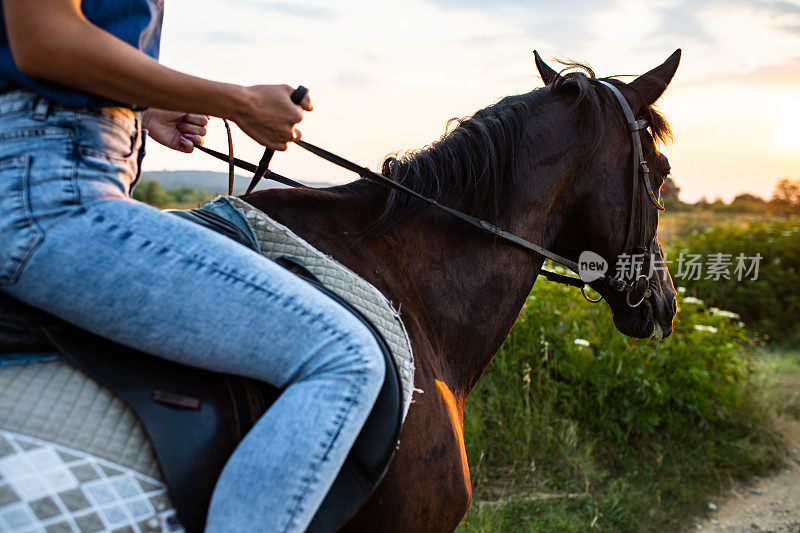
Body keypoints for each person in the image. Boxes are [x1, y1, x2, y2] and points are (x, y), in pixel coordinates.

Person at [0, 1, 385, 532]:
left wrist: (143, 106)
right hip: (53, 192)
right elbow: (44, 38)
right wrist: (239, 102)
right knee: (345, 356)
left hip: (57, 168)